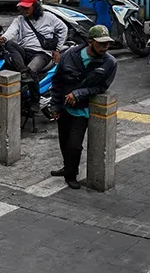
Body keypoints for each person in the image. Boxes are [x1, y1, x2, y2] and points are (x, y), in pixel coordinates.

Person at [49, 25, 117, 189]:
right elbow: (58, 81)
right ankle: (68, 168)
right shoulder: (70, 55)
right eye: (100, 44)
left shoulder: (110, 63)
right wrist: (55, 105)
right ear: (90, 42)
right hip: (64, 106)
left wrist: (80, 93)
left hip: (83, 109)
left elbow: (101, 87)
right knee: (64, 142)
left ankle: (71, 175)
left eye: (106, 44)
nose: (104, 47)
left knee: (74, 144)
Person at [0, 0, 67, 103]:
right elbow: (11, 31)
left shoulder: (48, 17)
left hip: (41, 54)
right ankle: (23, 71)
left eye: (27, 7)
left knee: (32, 70)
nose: (24, 10)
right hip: (25, 51)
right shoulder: (19, 20)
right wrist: (3, 38)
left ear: (35, 6)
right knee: (9, 44)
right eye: (22, 8)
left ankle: (35, 102)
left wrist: (57, 49)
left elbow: (63, 29)